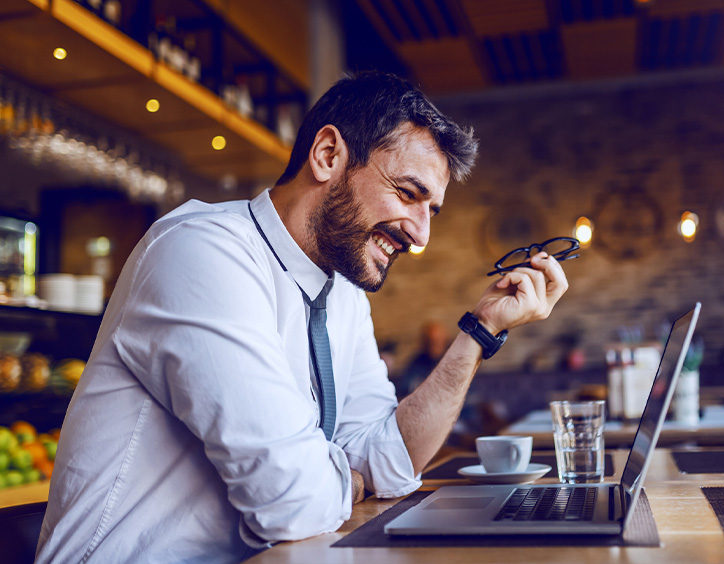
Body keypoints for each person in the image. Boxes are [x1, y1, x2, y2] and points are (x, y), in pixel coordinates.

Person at [36, 71, 568, 563]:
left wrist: (480, 331)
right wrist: (347, 479)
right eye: (409, 194)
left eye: (432, 210)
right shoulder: (202, 251)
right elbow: (290, 500)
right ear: (329, 154)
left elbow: (390, 461)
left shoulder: (343, 295)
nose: (421, 233)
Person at [396, 320, 449, 398]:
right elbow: (404, 390)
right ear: (424, 342)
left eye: (437, 340)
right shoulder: (415, 364)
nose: (434, 344)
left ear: (444, 341)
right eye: (430, 341)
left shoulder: (452, 362)